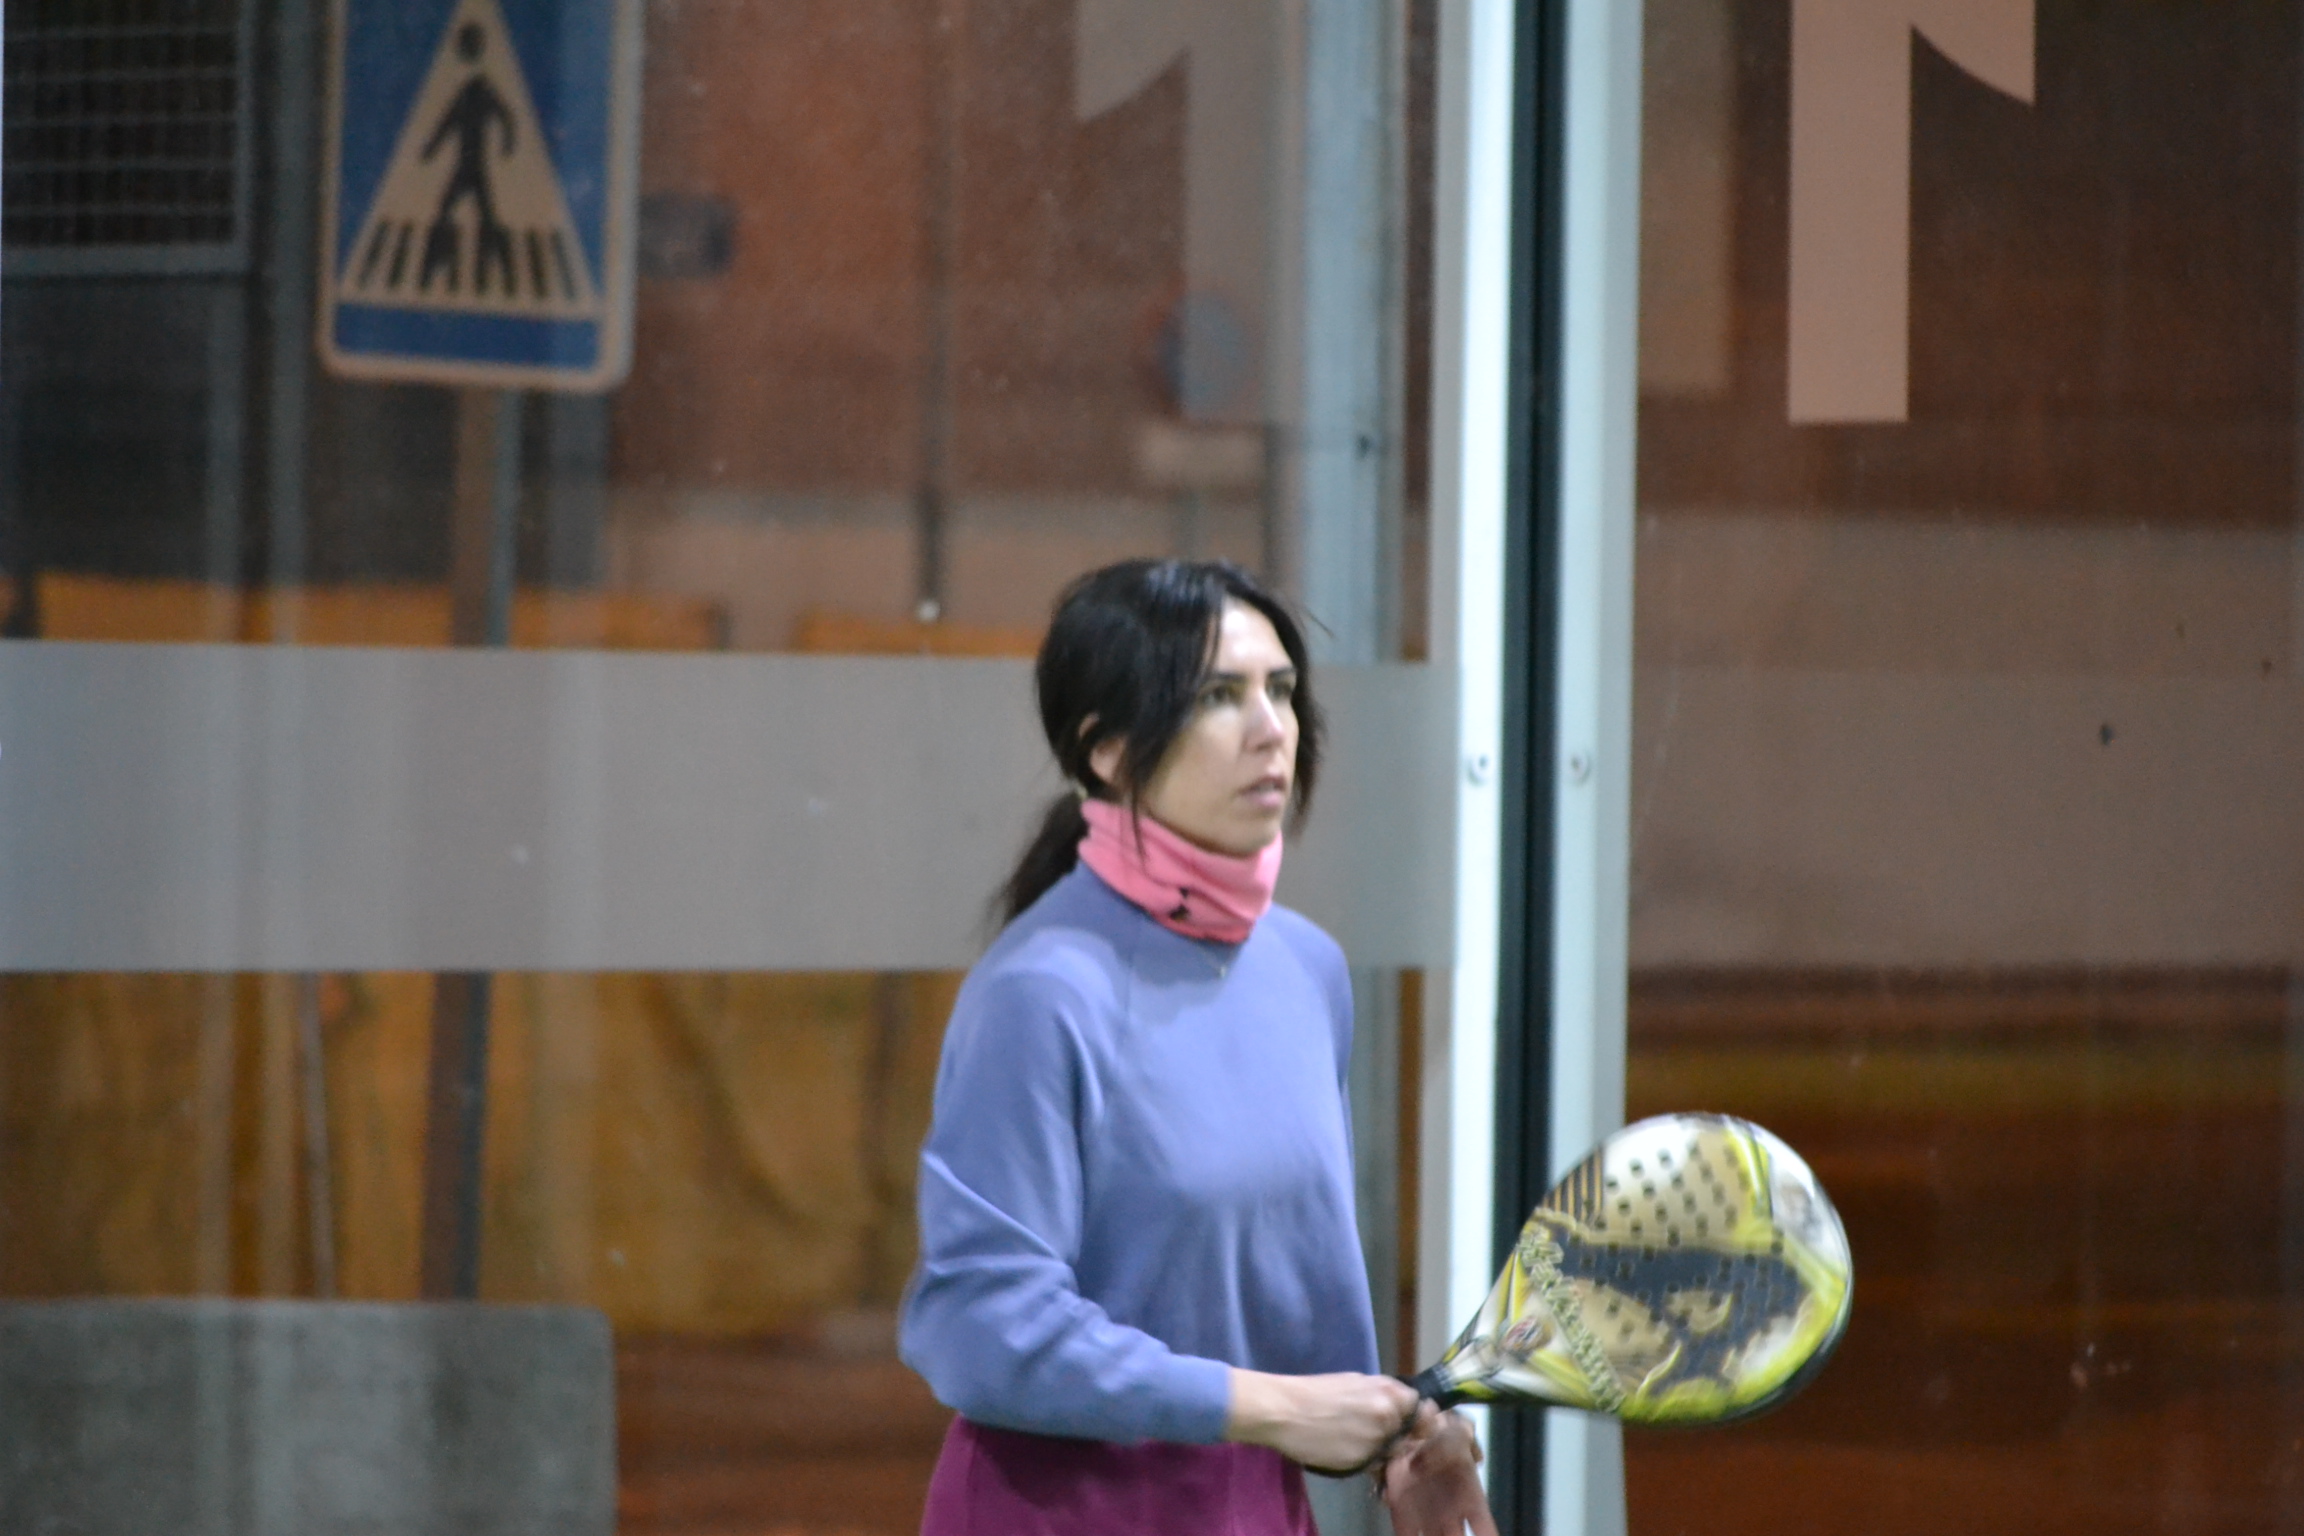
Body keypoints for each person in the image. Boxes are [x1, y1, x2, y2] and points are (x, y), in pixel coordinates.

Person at [900, 558, 1495, 1535]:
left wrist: (1403, 1445)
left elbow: (1279, 1307)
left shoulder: (1307, 969)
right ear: (1108, 751)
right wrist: (1271, 1408)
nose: (1272, 728)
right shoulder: (1037, 993)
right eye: (1219, 696)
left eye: (1282, 689)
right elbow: (981, 1327)